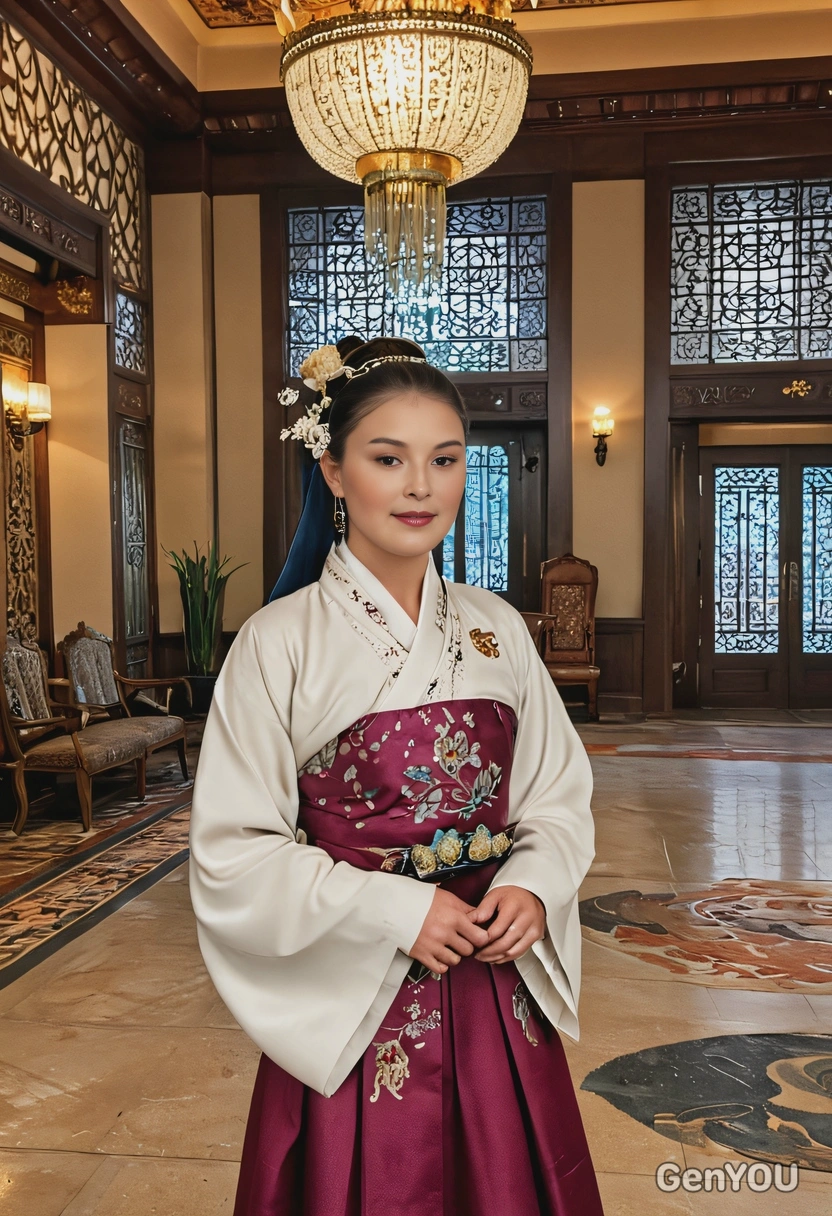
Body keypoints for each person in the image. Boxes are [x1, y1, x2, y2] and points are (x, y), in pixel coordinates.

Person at [189, 336, 605, 1216]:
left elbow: (555, 792)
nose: (421, 487)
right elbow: (235, 852)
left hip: (495, 980)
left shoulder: (497, 629)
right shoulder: (279, 643)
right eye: (389, 459)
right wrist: (395, 908)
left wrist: (532, 884)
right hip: (360, 993)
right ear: (335, 473)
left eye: (445, 460)